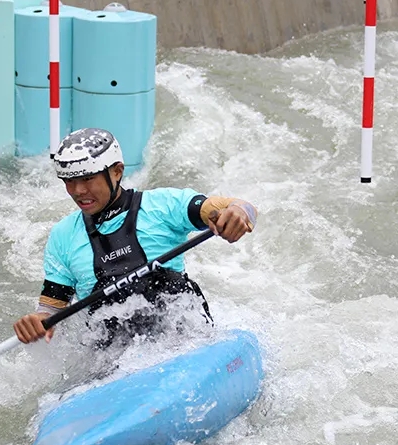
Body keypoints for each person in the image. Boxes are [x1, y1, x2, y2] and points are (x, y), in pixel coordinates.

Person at [13, 127, 257, 348]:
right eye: (69, 181)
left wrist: (237, 213)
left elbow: (240, 207)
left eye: (87, 179)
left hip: (181, 341)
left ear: (117, 171)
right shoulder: (62, 236)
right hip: (112, 356)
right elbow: (50, 311)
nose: (78, 191)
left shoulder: (163, 205)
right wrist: (37, 322)